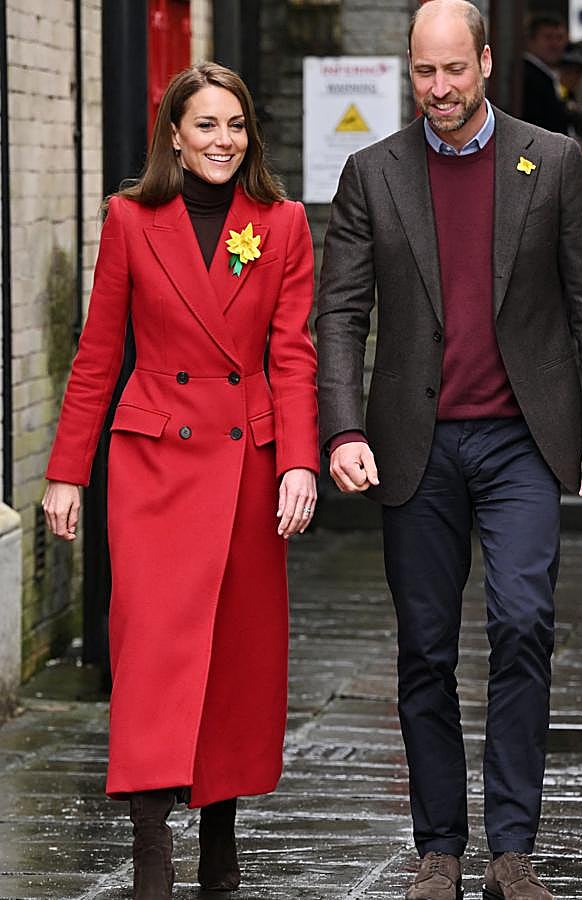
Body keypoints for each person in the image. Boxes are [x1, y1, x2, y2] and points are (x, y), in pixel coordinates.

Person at [316, 2, 582, 899]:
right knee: (423, 645)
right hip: (415, 446)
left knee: (524, 624)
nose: (439, 89)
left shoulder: (553, 160)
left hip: (524, 441)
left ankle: (511, 848)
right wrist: (341, 427)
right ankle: (439, 849)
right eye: (423, 72)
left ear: (486, 63)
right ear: (406, 70)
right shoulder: (372, 174)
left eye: (454, 70)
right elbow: (339, 315)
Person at [42, 62, 319, 900]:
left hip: (245, 466)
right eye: (205, 125)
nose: (223, 141)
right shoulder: (130, 219)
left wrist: (301, 459)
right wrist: (66, 474)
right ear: (173, 133)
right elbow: (97, 355)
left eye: (235, 125)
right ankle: (152, 852)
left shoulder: (282, 224)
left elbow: (293, 356)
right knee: (153, 649)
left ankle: (221, 845)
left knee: (234, 655)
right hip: (153, 465)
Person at [522, 12, 569, 133]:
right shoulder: (527, 77)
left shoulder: (547, 77)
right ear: (530, 41)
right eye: (548, 37)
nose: (555, 44)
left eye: (559, 38)